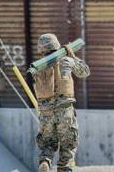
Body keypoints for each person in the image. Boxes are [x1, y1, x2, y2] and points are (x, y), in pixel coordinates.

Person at [34, 33, 90, 172]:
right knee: (68, 144)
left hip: (45, 111)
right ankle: (64, 168)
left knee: (47, 143)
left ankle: (45, 161)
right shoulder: (65, 60)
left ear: (41, 49)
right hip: (64, 109)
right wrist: (73, 57)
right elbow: (85, 72)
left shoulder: (38, 66)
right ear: (56, 45)